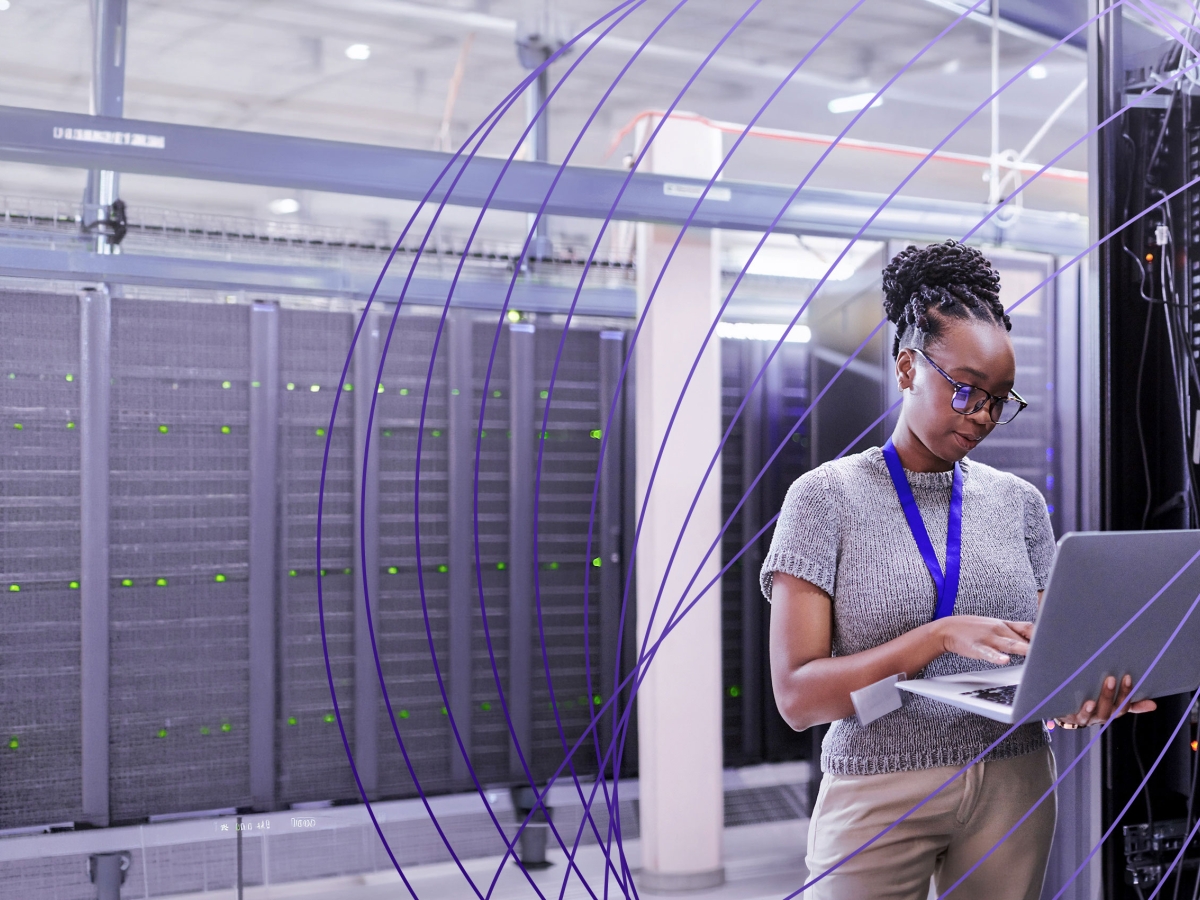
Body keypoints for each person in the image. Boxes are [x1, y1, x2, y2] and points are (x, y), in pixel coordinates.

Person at [762, 240, 1156, 900]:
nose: (984, 415)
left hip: (1014, 780)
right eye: (967, 389)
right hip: (877, 790)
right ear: (909, 367)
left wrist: (1085, 692)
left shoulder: (1019, 504)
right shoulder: (824, 499)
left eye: (1002, 398)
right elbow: (798, 699)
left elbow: (1041, 659)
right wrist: (937, 637)